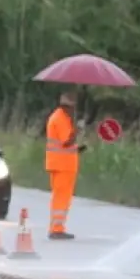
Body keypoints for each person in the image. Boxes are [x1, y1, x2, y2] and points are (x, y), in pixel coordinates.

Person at [43, 91, 85, 239]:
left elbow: (64, 145)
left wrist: (77, 149)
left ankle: (57, 227)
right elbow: (67, 141)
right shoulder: (60, 118)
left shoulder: (60, 117)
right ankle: (56, 229)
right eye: (72, 107)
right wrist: (78, 130)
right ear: (67, 106)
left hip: (61, 163)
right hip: (62, 165)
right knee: (62, 197)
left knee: (60, 197)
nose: (73, 110)